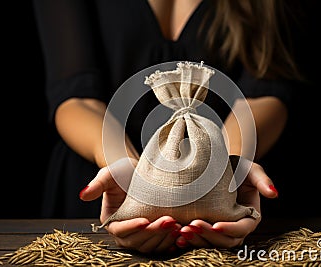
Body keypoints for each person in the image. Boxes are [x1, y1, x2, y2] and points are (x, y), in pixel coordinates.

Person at [33, 0, 305, 253]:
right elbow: (76, 96)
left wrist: (224, 171)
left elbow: (264, 91)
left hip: (242, 157)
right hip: (97, 178)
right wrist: (128, 172)